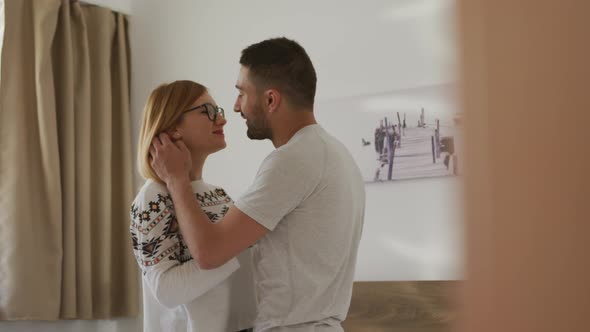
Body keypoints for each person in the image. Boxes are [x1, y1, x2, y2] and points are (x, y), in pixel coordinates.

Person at [149, 37, 365, 331]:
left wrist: (176, 179)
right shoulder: (335, 153)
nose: (235, 108)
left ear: (271, 100)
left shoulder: (293, 161)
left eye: (241, 93)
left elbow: (209, 253)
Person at [130, 80, 256, 332]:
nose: (221, 120)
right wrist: (236, 250)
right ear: (172, 126)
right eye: (207, 112)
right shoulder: (153, 197)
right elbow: (166, 291)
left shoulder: (219, 195)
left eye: (218, 111)